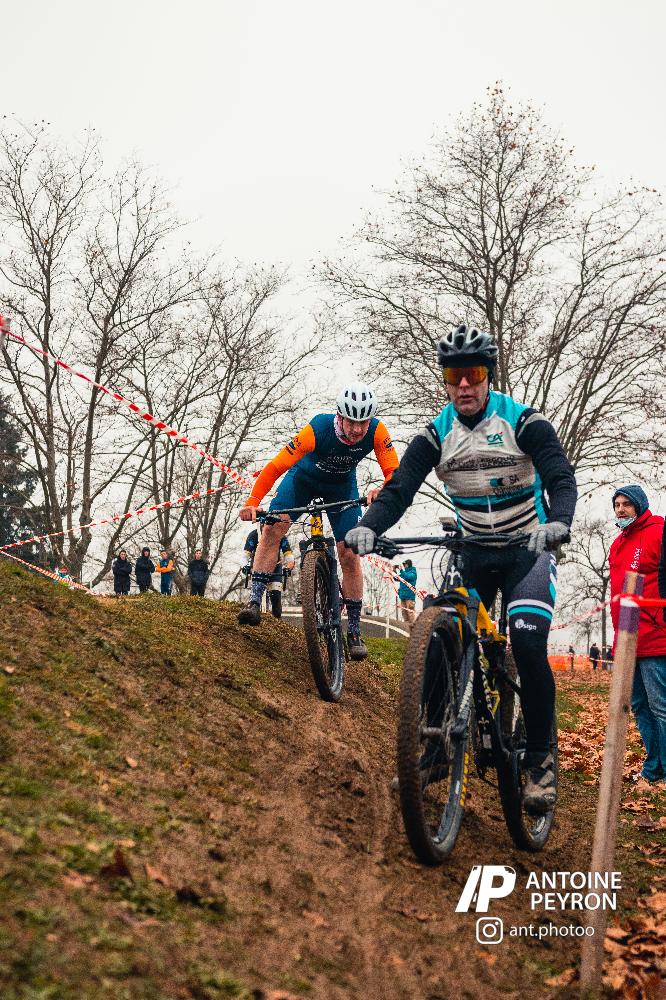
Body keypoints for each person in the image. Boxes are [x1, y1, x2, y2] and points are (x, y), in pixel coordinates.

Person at [345, 324, 577, 814]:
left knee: (527, 643)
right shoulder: (436, 435)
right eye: (454, 376)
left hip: (526, 550)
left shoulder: (524, 422)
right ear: (447, 382)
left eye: (473, 374)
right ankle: (435, 748)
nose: (464, 385)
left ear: (488, 376)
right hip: (472, 552)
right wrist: (367, 526)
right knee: (436, 634)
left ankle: (540, 761)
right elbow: (399, 489)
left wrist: (558, 522)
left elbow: (560, 476)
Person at [237, 383, 399, 660]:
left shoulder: (377, 431)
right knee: (273, 528)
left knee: (350, 551)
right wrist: (253, 501)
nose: (357, 429)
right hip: (303, 481)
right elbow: (276, 466)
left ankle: (354, 630)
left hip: (341, 488)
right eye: (351, 422)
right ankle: (254, 601)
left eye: (363, 422)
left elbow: (394, 471)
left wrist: (383, 489)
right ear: (340, 416)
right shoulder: (317, 429)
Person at [609, 485, 666, 786]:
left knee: (661, 706)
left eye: (626, 504)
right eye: (617, 504)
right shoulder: (617, 544)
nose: (620, 509)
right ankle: (654, 769)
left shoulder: (659, 532)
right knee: (640, 706)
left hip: (656, 635)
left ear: (640, 506)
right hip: (627, 637)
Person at [242, 525, 295, 619]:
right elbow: (245, 555)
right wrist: (245, 566)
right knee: (255, 597)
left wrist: (289, 568)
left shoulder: (280, 535)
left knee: (275, 598)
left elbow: (289, 555)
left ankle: (276, 618)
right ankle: (254, 614)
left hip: (275, 568)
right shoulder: (254, 535)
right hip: (258, 568)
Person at [397, 559, 418, 628]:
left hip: (409, 596)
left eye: (405, 564)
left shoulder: (413, 573)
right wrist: (394, 570)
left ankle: (413, 627)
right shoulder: (404, 573)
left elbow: (407, 577)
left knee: (410, 612)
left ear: (408, 564)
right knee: (404, 612)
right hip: (403, 596)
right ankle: (406, 627)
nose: (404, 566)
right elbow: (396, 578)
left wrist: (401, 570)